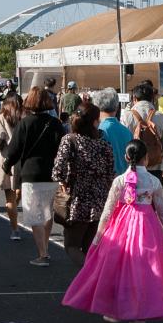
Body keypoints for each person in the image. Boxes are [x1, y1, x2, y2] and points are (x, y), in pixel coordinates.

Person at [63, 140, 163, 323]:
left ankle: (114, 309)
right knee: (145, 270)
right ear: (146, 159)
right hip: (147, 227)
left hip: (121, 227)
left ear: (126, 157)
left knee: (116, 267)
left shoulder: (120, 180)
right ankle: (139, 317)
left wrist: (99, 234)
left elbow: (108, 210)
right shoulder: (153, 181)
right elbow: (162, 210)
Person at [3, 88, 65, 266]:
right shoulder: (55, 123)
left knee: (33, 214)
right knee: (47, 213)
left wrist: (6, 166)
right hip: (51, 173)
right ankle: (45, 247)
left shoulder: (25, 123)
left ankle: (43, 254)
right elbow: (62, 148)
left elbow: (14, 150)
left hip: (30, 173)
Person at [52, 103, 114, 266]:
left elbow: (57, 170)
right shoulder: (104, 144)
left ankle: (92, 276)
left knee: (71, 246)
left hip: (77, 201)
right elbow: (110, 173)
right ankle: (91, 284)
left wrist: (63, 181)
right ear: (94, 122)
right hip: (99, 201)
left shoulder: (70, 140)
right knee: (89, 248)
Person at [120, 82, 163, 183]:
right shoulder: (160, 116)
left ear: (134, 98)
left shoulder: (126, 116)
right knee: (154, 197)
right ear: (152, 98)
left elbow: (123, 142)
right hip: (155, 166)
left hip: (133, 166)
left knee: (132, 196)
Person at [0, 92, 24, 240]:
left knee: (9, 196)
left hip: (8, 159)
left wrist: (3, 146)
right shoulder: (26, 116)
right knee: (19, 192)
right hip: (25, 158)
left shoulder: (2, 118)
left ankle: (14, 229)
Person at [92, 88, 133, 177]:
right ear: (117, 107)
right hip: (125, 182)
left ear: (96, 106)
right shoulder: (127, 131)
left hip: (104, 183)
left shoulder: (97, 131)